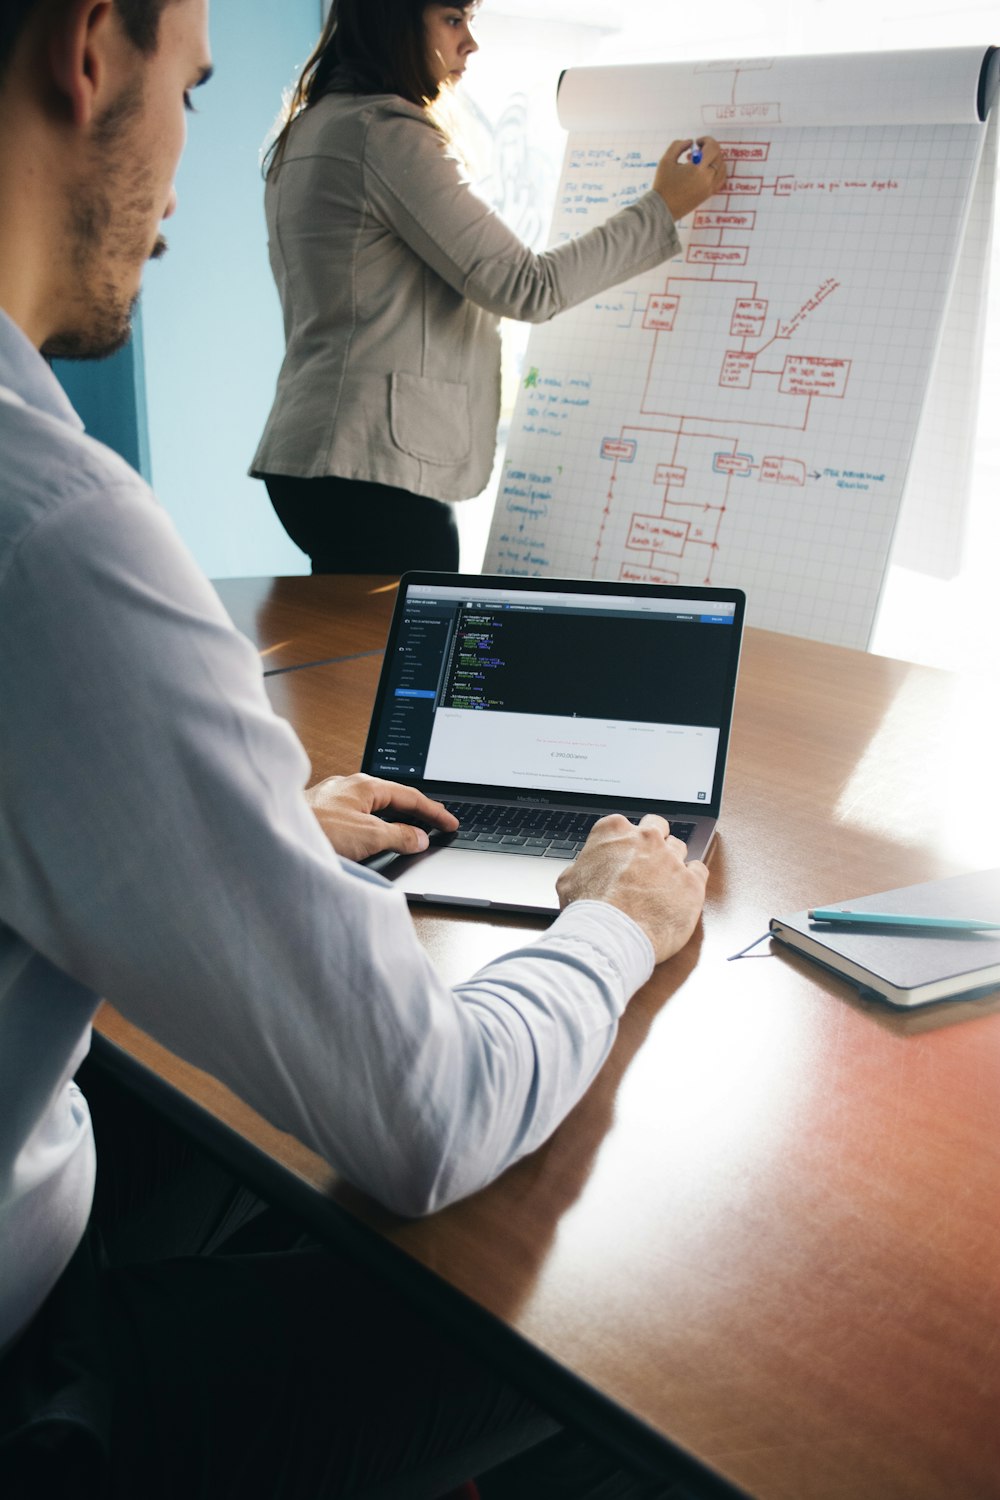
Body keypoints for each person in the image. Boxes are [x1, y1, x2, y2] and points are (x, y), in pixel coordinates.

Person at [0, 1, 710, 1495]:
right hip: (36, 1385)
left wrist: (250, 823)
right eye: (189, 85)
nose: (189, 173)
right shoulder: (51, 536)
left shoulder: (308, 140)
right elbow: (430, 1114)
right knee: (612, 1317)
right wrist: (611, 928)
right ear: (87, 54)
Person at [250, 0, 726, 573]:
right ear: (395, 21)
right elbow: (528, 285)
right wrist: (662, 208)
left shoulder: (312, 128)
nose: (470, 43)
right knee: (415, 659)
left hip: (313, 460)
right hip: (371, 469)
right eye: (454, 19)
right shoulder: (384, 135)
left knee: (354, 659)